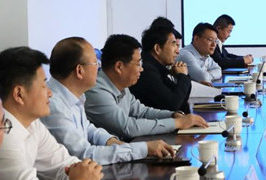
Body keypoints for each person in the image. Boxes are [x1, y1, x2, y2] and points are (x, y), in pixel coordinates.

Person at [0, 47, 103, 180]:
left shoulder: (33, 124)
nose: (50, 93)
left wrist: (82, 173)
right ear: (19, 94)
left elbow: (62, 165)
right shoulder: (1, 134)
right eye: (44, 85)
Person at [41, 37, 175, 165]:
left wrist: (112, 142)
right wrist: (142, 149)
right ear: (79, 71)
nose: (99, 69)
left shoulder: (74, 96)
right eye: (96, 63)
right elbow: (83, 154)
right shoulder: (53, 105)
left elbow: (88, 129)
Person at [85, 34, 208, 140]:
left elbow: (141, 111)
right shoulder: (97, 92)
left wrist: (172, 115)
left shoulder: (121, 84)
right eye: (138, 64)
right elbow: (127, 127)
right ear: (119, 67)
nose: (141, 69)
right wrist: (177, 123)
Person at [130, 24, 192, 113]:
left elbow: (181, 99)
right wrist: (183, 76)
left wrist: (181, 76)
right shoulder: (146, 70)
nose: (177, 51)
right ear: (157, 48)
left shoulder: (157, 67)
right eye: (173, 44)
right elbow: (173, 105)